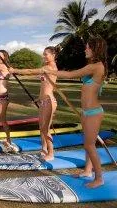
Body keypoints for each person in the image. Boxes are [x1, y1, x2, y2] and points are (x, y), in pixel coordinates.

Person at [44, 37, 107, 188]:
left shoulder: (97, 66)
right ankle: (87, 170)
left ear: (95, 49)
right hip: (86, 112)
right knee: (88, 144)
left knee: (89, 145)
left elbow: (70, 75)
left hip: (94, 112)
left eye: (88, 47)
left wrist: (50, 71)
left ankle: (99, 178)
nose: (85, 50)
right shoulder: (92, 65)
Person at [9, 47, 58, 161]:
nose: (44, 56)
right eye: (43, 54)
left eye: (46, 54)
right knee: (42, 128)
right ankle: (44, 149)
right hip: (44, 101)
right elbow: (50, 86)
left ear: (53, 55)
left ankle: (51, 153)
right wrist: (39, 98)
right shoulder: (49, 68)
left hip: (49, 102)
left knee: (45, 129)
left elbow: (30, 72)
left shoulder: (49, 67)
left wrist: (14, 70)